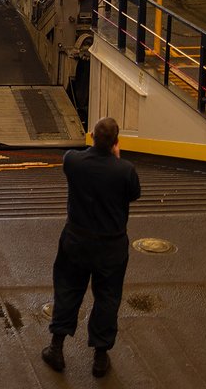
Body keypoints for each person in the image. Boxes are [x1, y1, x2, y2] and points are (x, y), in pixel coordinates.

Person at [41, 117, 141, 379]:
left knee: (67, 290)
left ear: (93, 137)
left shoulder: (73, 161)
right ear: (115, 143)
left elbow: (73, 159)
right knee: (108, 297)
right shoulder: (125, 170)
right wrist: (116, 160)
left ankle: (56, 348)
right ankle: (99, 356)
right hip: (112, 245)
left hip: (76, 240)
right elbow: (133, 194)